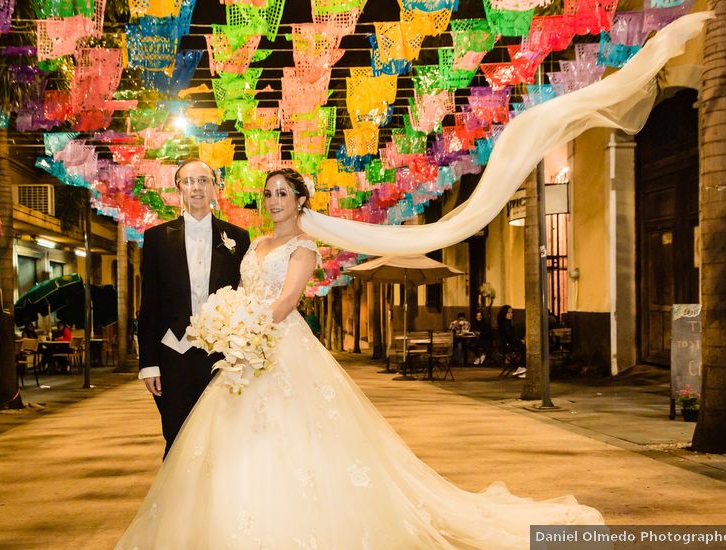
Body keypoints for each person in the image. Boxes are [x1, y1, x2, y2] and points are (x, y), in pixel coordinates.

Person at [116, 168, 603, 548]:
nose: (273, 201)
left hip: (278, 346)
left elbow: (286, 302)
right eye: (268, 194)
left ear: (300, 201)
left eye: (283, 193)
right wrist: (230, 323)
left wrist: (243, 327)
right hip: (243, 350)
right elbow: (236, 289)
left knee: (301, 441)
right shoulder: (254, 242)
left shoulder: (304, 247)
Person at [136, 158, 251, 458]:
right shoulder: (156, 238)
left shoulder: (238, 238)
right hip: (173, 353)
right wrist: (148, 363)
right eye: (188, 181)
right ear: (178, 190)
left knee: (222, 439)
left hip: (222, 357)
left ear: (215, 187)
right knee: (177, 438)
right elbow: (148, 304)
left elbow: (245, 297)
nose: (196, 187)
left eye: (203, 180)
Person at [497, 305, 526, 377]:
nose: (510, 314)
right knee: (526, 348)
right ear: (504, 314)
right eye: (508, 312)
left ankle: (521, 369)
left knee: (524, 347)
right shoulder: (505, 324)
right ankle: (521, 367)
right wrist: (520, 341)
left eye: (511, 312)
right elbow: (510, 337)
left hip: (506, 345)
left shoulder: (505, 323)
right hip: (507, 346)